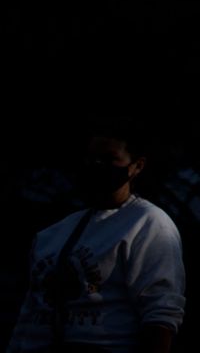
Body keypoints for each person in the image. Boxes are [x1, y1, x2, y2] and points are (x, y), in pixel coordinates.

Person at [7, 130, 185, 352]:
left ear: (137, 166)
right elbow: (30, 310)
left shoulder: (148, 223)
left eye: (110, 158)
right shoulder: (52, 234)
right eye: (92, 159)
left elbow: (160, 311)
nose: (98, 165)